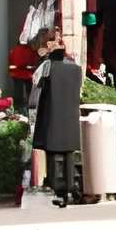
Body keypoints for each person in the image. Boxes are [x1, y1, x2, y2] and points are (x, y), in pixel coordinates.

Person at [23, 35, 86, 207]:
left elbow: (37, 87)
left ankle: (58, 189)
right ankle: (71, 187)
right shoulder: (76, 70)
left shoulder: (49, 70)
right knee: (69, 155)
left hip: (53, 119)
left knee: (53, 157)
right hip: (70, 120)